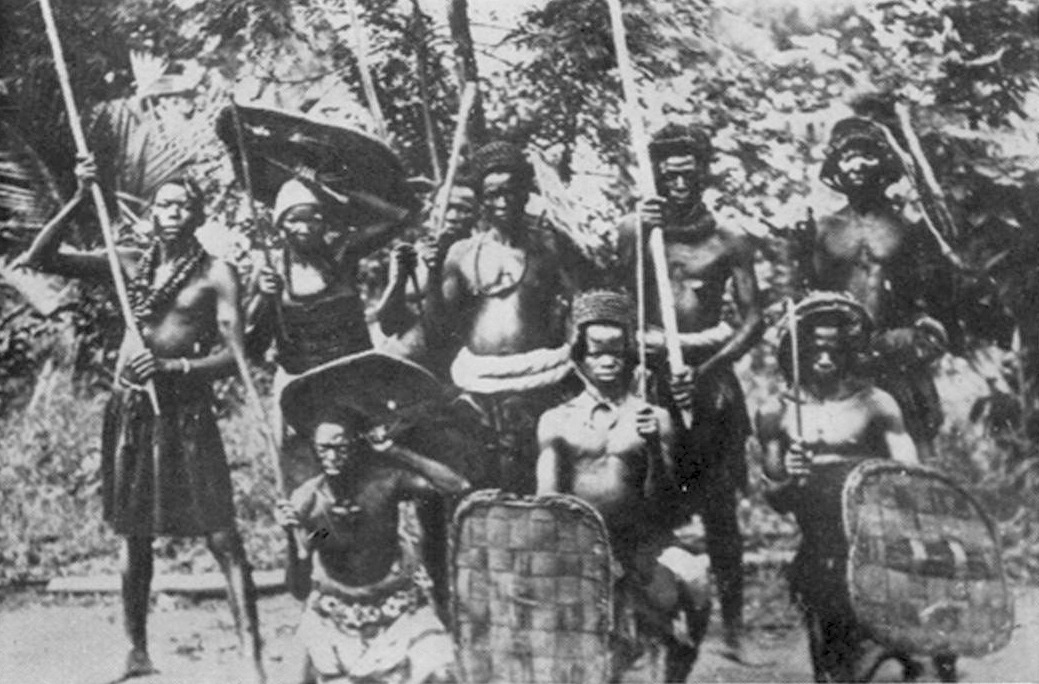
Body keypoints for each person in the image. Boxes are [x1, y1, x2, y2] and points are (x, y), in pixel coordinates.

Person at [20, 158, 266, 682]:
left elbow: (237, 358)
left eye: (183, 205)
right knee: (134, 535)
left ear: (199, 215)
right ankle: (136, 651)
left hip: (185, 412)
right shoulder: (126, 259)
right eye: (164, 204)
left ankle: (253, 658)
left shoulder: (216, 273)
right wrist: (80, 199)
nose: (172, 213)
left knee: (221, 534)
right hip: (130, 409)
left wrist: (177, 365)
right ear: (152, 213)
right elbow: (42, 257)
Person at [617, 123, 764, 660]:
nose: (678, 182)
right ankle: (656, 622)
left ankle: (735, 629)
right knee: (651, 502)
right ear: (655, 175)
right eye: (668, 173)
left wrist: (709, 369)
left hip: (710, 384)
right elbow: (620, 306)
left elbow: (754, 318)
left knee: (720, 510)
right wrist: (640, 239)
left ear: (704, 173)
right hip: (653, 378)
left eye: (689, 172)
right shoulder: (636, 232)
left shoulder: (729, 239)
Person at [757, 292, 955, 682]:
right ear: (796, 352)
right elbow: (774, 497)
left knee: (902, 639)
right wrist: (790, 478)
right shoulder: (775, 412)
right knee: (832, 660)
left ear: (850, 350)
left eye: (835, 349)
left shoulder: (876, 404)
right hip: (820, 546)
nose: (826, 358)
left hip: (875, 536)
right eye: (815, 349)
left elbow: (908, 473)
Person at [536, 290, 711, 683]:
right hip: (579, 544)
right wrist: (575, 546)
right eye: (597, 351)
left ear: (631, 352)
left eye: (616, 350)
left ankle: (674, 676)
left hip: (645, 540)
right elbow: (546, 499)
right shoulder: (556, 420)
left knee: (696, 582)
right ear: (580, 353)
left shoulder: (655, 417)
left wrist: (652, 445)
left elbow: (666, 499)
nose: (607, 360)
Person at [273, 363, 471, 684]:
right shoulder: (308, 502)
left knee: (443, 672)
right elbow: (298, 587)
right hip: (332, 618)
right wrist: (294, 541)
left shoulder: (386, 483)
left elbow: (456, 485)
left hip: (399, 613)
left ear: (356, 445)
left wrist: (397, 450)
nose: (331, 457)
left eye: (340, 446)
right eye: (323, 448)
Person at [426, 141, 581, 494]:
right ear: (481, 199)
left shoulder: (550, 247)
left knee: (540, 486)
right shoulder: (461, 253)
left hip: (540, 385)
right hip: (480, 389)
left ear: (526, 193)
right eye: (493, 194)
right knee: (483, 488)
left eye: (512, 192)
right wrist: (433, 275)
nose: (503, 202)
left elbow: (580, 306)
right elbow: (438, 331)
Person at [245, 177, 412, 491]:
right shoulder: (270, 269)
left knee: (368, 466)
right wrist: (264, 300)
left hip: (354, 381)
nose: (305, 227)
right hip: (300, 386)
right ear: (280, 225)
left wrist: (330, 188)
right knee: (303, 470)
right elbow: (253, 347)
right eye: (295, 219)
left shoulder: (343, 253)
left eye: (314, 217)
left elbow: (399, 217)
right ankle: (311, 533)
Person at [810, 117, 950, 461]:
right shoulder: (822, 230)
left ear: (882, 163)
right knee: (837, 455)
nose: (856, 164)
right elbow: (808, 298)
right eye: (847, 157)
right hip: (839, 357)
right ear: (836, 167)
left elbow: (935, 298)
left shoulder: (909, 228)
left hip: (896, 353)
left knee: (912, 456)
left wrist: (913, 335)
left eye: (866, 155)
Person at [376, 179, 478, 379]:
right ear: (432, 210)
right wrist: (399, 281)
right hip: (396, 361)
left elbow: (438, 333)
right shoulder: (411, 253)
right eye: (446, 207)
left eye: (463, 209)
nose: (452, 217)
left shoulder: (475, 259)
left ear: (477, 215)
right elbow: (388, 325)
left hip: (440, 372)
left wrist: (434, 272)